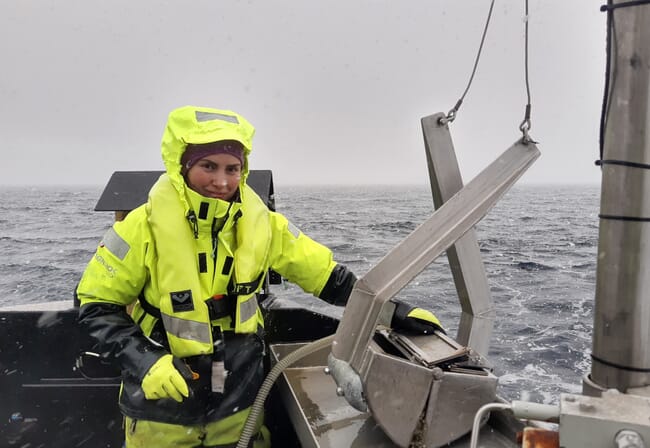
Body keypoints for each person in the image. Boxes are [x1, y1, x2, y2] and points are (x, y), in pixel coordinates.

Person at [77, 105, 443, 447]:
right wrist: (146, 361)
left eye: (231, 169)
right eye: (208, 165)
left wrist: (392, 311)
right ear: (182, 165)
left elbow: (329, 278)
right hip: (161, 407)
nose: (221, 181)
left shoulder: (264, 225)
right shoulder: (140, 227)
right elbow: (95, 305)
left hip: (239, 397)